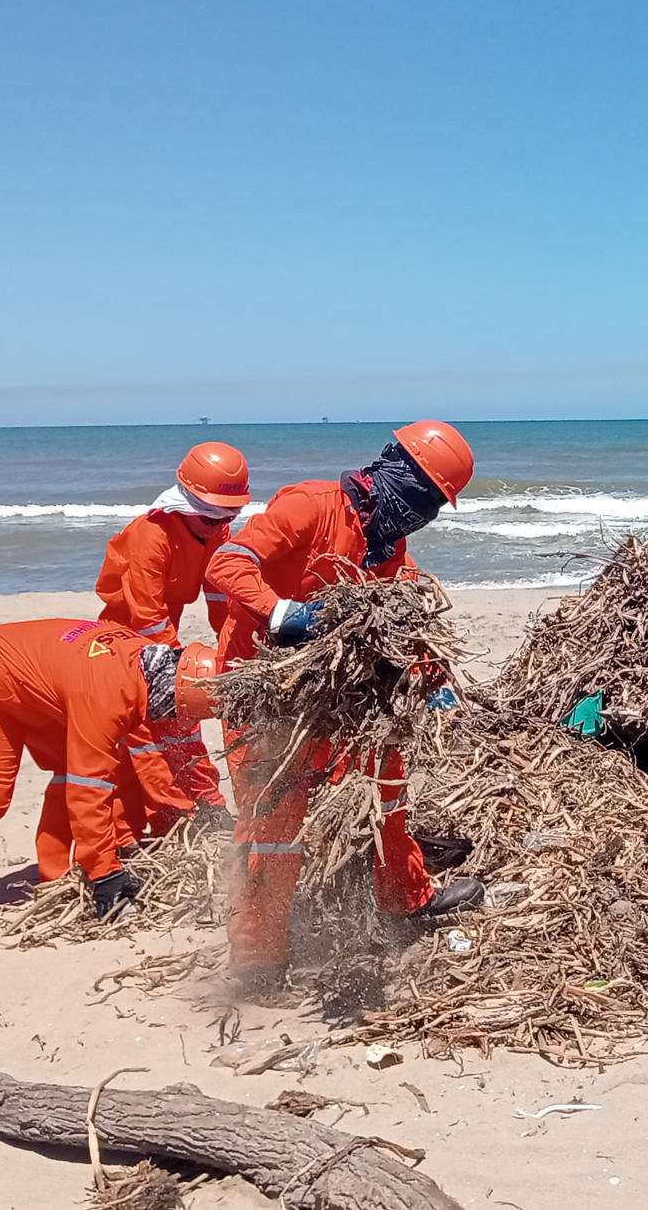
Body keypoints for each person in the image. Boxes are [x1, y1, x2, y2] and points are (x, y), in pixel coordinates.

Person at [203, 422, 484, 988]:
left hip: (334, 698)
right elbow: (227, 563)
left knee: (385, 785)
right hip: (264, 690)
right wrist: (280, 612)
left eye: (433, 504)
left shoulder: (388, 547)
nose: (422, 512)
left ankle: (406, 899)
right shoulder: (309, 505)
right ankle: (258, 958)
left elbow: (395, 623)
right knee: (272, 823)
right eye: (421, 495)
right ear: (390, 472)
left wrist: (434, 679)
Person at [0, 626, 219, 944]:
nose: (169, 719)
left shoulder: (147, 661)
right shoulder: (106, 695)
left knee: (85, 765)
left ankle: (57, 879)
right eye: (173, 711)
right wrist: (105, 873)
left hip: (29, 682)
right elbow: (88, 788)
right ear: (170, 693)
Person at [96, 441, 251, 838]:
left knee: (174, 726)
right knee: (158, 730)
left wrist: (236, 653)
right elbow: (146, 617)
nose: (219, 526)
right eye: (211, 518)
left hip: (164, 632)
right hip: (123, 641)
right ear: (187, 502)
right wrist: (179, 667)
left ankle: (187, 814)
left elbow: (221, 599)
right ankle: (194, 812)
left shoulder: (215, 532)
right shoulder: (152, 535)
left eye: (226, 518)